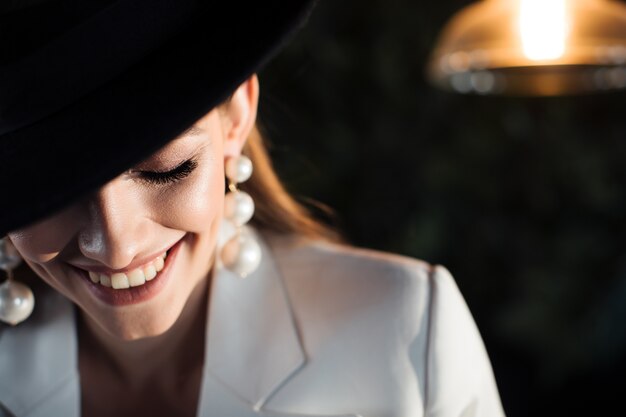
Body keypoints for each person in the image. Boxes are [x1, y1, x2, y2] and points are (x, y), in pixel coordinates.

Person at [0, 1, 506, 416]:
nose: (116, 243)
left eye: (167, 169)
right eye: (56, 191)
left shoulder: (408, 332)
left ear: (237, 116)